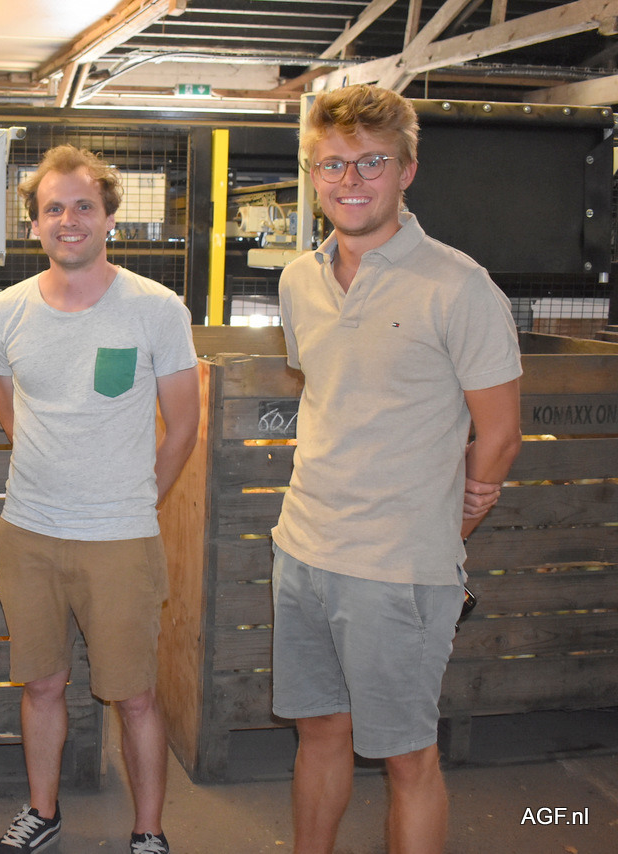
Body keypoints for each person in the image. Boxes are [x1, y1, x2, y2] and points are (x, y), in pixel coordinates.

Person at [271, 84, 523, 854]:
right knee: (320, 731)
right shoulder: (298, 280)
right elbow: (329, 393)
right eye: (332, 164)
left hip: (399, 570)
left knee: (409, 758)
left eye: (371, 163)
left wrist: (447, 529)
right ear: (314, 175)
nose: (350, 181)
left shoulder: (459, 285)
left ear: (407, 170)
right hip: (302, 551)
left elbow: (500, 434)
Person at [0, 145, 200, 854]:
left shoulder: (156, 309)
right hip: (28, 533)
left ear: (109, 218)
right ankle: (42, 812)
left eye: (83, 206)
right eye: (54, 209)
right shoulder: (6, 311)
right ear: (34, 225)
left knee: (134, 694)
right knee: (42, 684)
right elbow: (10, 408)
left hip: (120, 538)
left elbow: (183, 425)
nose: (68, 220)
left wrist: (134, 502)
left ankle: (148, 831)